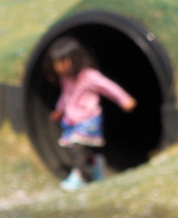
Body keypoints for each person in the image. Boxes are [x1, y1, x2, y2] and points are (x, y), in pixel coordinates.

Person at [47, 36, 137, 191]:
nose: (59, 68)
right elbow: (66, 95)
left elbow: (109, 87)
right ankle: (95, 164)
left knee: (76, 147)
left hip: (89, 119)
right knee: (73, 148)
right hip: (71, 119)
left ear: (75, 59)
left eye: (62, 62)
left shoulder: (89, 76)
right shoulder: (65, 78)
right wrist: (59, 109)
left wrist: (124, 100)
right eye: (56, 64)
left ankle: (79, 176)